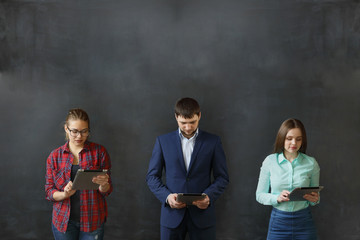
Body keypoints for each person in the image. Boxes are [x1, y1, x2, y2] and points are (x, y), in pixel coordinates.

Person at [146, 97, 229, 240]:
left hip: (203, 217)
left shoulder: (213, 142)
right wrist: (167, 197)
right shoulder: (163, 141)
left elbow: (222, 177)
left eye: (192, 122)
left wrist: (208, 197)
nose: (188, 127)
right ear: (176, 117)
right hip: (171, 217)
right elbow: (152, 177)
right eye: (183, 123)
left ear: (200, 116)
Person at [45, 108, 113, 240]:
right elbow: (48, 191)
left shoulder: (99, 152)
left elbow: (107, 191)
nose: (79, 136)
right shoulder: (54, 156)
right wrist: (64, 194)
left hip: (92, 220)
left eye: (84, 131)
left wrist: (104, 185)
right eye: (74, 131)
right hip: (63, 222)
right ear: (66, 129)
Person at [256, 118, 320, 240]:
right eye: (289, 138)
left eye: (298, 139)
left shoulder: (311, 163)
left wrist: (315, 199)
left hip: (304, 221)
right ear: (282, 138)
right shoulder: (270, 161)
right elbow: (259, 195)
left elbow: (315, 198)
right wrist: (276, 198)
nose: (294, 143)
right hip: (278, 222)